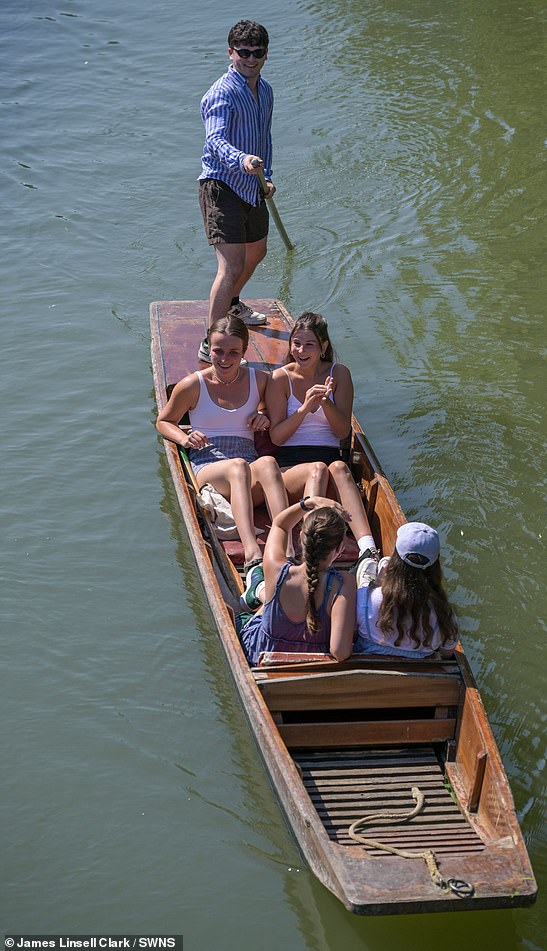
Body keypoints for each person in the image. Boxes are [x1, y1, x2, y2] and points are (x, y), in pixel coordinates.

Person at [156, 315, 289, 576]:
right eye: (218, 351)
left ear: (244, 352)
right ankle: (253, 556)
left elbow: (276, 417)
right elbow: (163, 422)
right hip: (209, 466)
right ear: (208, 347)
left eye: (233, 352)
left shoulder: (260, 380)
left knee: (268, 463)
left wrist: (265, 416)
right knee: (238, 467)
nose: (225, 359)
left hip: (246, 465)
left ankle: (288, 551)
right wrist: (184, 438)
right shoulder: (192, 385)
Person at [266, 312, 380, 563]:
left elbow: (342, 432)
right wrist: (305, 408)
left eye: (309, 345)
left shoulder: (339, 374)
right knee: (317, 469)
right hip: (291, 469)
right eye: (296, 343)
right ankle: (310, 551)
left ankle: (368, 551)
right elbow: (276, 437)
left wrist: (326, 403)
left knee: (339, 467)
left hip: (330, 463)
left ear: (323, 347)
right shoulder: (280, 378)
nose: (301, 350)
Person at [197, 20, 275, 363]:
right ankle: (210, 341)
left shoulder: (267, 90)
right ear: (231, 53)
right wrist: (241, 159)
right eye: (243, 52)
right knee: (230, 265)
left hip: (252, 184)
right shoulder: (222, 93)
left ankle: (233, 306)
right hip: (221, 184)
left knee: (257, 253)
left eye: (257, 53)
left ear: (265, 54)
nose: (250, 59)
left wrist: (266, 175)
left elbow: (264, 139)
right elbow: (214, 141)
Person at [238, 497, 357, 665]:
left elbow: (280, 524)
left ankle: (258, 590)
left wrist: (307, 503)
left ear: (301, 537)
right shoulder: (344, 584)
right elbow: (339, 652)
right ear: (340, 548)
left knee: (265, 608)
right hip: (311, 666)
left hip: (261, 657)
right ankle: (259, 592)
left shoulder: (276, 569)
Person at [354, 522, 459, 658]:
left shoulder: (363, 600)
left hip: (368, 661)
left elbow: (353, 634)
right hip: (418, 670)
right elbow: (447, 653)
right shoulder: (445, 615)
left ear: (395, 559)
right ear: (435, 567)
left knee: (366, 582)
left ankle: (375, 577)